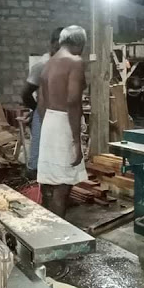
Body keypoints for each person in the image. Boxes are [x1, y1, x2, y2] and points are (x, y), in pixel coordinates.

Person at [37, 25, 88, 217]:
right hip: (64, 121)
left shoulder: (48, 64)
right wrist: (76, 141)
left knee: (51, 182)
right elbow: (73, 102)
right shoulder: (75, 62)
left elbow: (41, 102)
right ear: (79, 43)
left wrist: (47, 127)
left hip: (49, 121)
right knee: (63, 186)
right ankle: (59, 232)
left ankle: (49, 224)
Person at [20, 27, 64, 177]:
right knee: (38, 161)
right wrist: (36, 109)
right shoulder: (42, 65)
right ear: (52, 45)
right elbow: (25, 94)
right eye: (58, 48)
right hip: (44, 115)